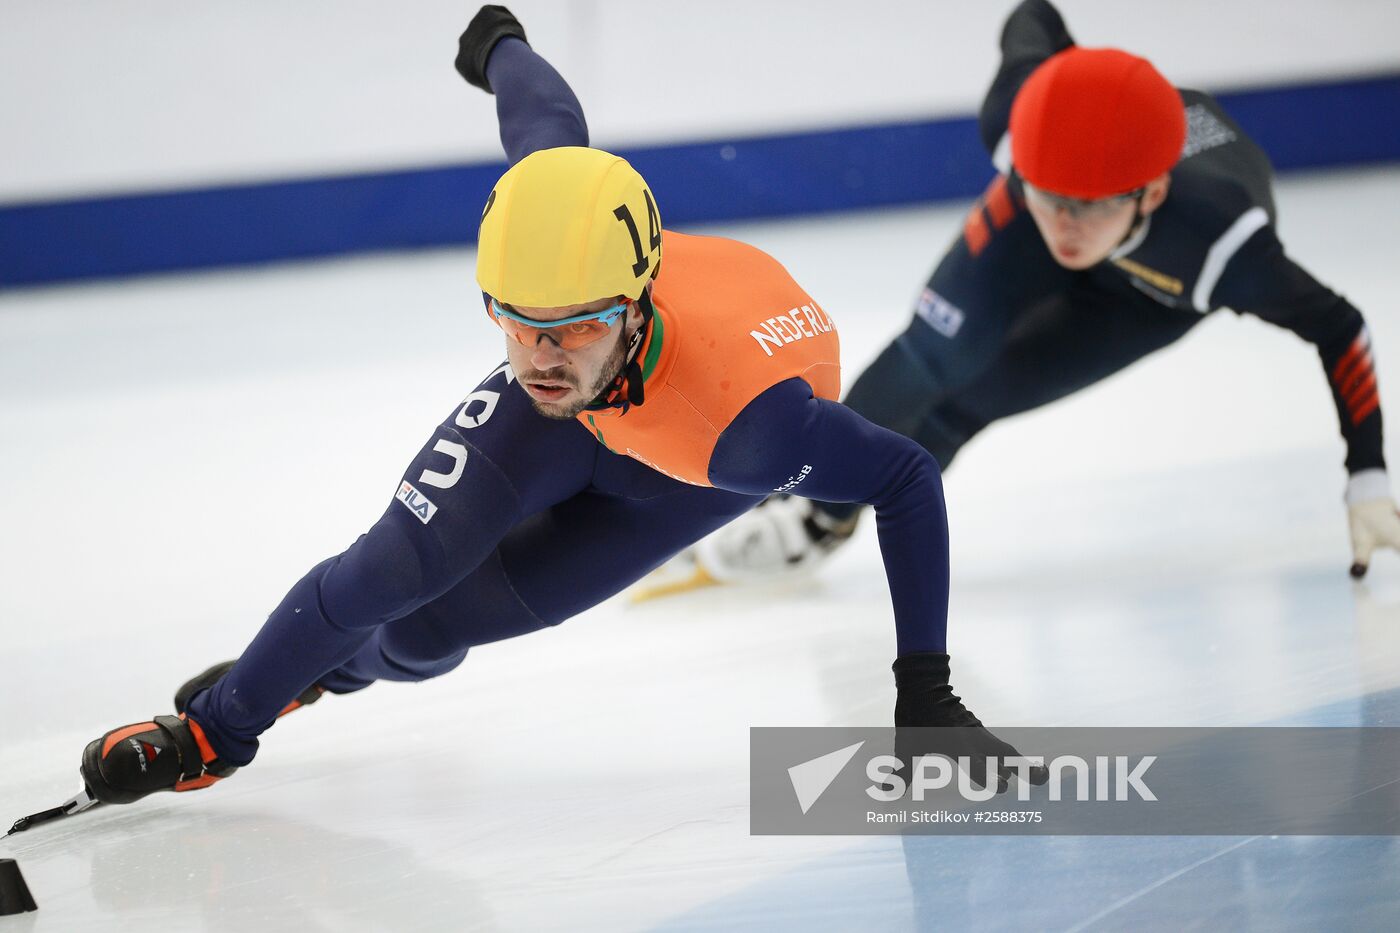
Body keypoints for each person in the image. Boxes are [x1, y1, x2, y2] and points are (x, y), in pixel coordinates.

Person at [76, 6, 1044, 808]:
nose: (541, 357)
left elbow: (904, 475)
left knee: (427, 632)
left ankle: (325, 671)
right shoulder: (558, 243)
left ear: (634, 303)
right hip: (609, 413)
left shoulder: (748, 432)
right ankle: (218, 732)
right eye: (515, 321)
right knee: (394, 570)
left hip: (687, 459)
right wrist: (499, 40)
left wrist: (924, 691)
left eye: (575, 326)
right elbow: (544, 119)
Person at [688, 0, 1400, 587]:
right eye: (1052, 197)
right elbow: (1033, 16)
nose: (1065, 226)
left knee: (973, 399)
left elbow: (1340, 325)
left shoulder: (1222, 247)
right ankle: (801, 496)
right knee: (932, 356)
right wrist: (1070, 96)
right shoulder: (1020, 120)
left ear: (1150, 194)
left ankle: (823, 519)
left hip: (1149, 295)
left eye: (1087, 207)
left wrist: (1366, 472)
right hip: (1026, 217)